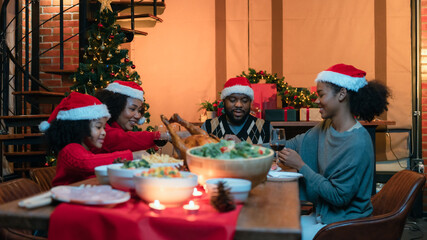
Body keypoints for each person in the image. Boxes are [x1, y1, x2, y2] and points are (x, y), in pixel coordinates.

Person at [278, 64, 390, 240]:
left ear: (342, 94)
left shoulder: (357, 142)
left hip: (346, 225)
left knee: (281, 236)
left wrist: (300, 166)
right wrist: (249, 148)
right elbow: (293, 144)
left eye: (321, 94)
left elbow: (339, 197)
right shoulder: (326, 127)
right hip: (324, 217)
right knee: (277, 228)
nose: (316, 101)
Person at [40, 92, 145, 186]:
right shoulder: (70, 149)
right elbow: (86, 163)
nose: (104, 132)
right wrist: (132, 156)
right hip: (63, 202)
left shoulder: (87, 151)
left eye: (104, 127)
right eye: (98, 127)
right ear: (80, 127)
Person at [93, 81, 166, 154]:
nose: (138, 116)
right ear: (116, 107)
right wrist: (166, 136)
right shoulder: (102, 130)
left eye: (139, 111)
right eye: (132, 109)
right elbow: (123, 139)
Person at [202, 77, 272, 144]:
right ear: (223, 102)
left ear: (250, 103)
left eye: (244, 101)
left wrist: (241, 146)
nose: (239, 105)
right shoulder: (208, 127)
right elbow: (197, 151)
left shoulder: (265, 127)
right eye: (232, 100)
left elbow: (278, 151)